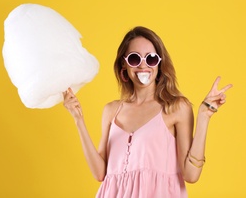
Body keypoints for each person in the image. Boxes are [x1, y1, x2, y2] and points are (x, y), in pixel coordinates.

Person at [63, 26, 232, 198]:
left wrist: (204, 116)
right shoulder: (111, 111)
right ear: (124, 63)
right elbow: (100, 173)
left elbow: (191, 175)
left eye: (151, 59)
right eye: (135, 58)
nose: (143, 65)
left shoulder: (176, 108)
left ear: (159, 63)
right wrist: (78, 119)